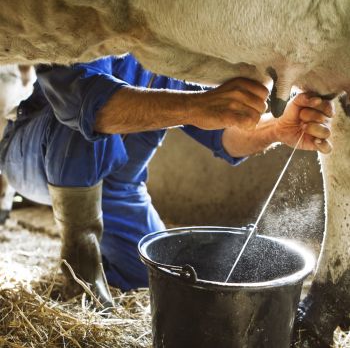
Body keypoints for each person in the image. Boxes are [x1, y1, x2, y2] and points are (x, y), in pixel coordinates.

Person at [0, 54, 333, 306]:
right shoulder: (87, 21)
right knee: (84, 120)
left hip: (118, 189)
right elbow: (86, 105)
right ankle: (80, 268)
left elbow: (225, 135)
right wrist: (199, 106)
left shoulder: (168, 54)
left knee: (154, 278)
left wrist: (277, 129)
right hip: (34, 154)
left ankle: (107, 263)